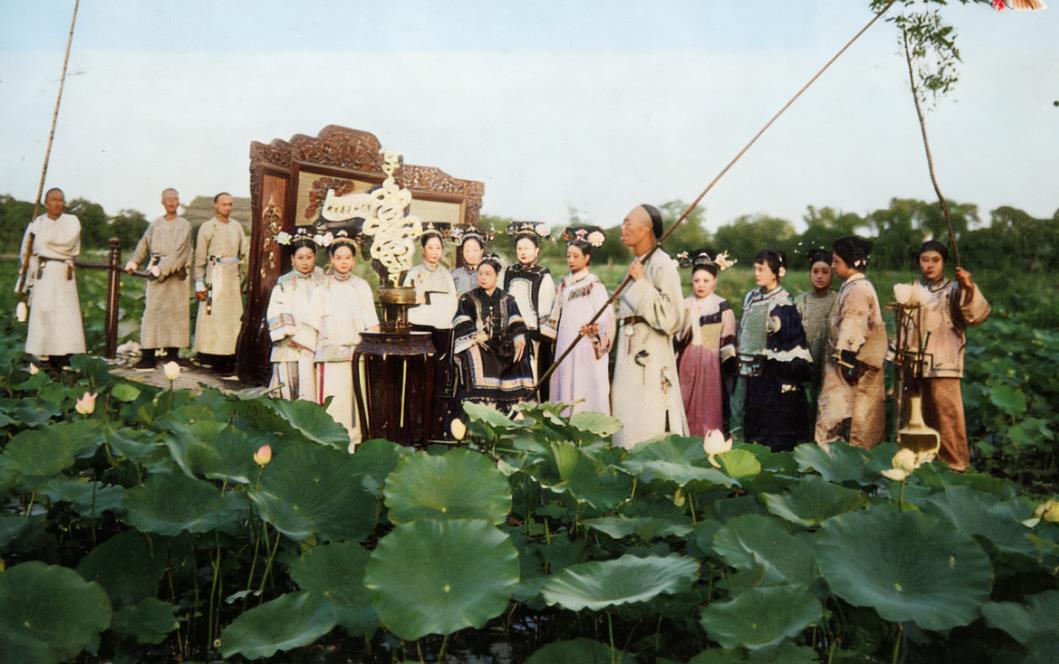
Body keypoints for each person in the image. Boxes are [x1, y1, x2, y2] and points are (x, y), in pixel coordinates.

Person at [898, 240, 990, 471]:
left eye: (935, 260)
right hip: (913, 363)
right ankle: (918, 469)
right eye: (924, 260)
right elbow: (902, 327)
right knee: (913, 418)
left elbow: (975, 316)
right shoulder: (910, 288)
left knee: (947, 420)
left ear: (944, 263)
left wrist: (968, 287)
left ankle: (956, 468)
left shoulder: (954, 290)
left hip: (943, 363)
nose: (929, 265)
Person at [611, 204, 688, 448]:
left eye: (627, 222)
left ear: (645, 230)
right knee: (627, 415)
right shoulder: (637, 264)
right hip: (628, 354)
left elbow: (673, 318)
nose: (623, 228)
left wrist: (642, 283)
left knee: (649, 415)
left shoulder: (662, 264)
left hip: (651, 357)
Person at [306, 229, 379, 450]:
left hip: (356, 355)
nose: (343, 262)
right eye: (339, 258)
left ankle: (353, 445)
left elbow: (371, 321)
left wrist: (372, 350)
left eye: (347, 257)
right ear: (331, 259)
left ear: (354, 259)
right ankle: (326, 446)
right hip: (329, 355)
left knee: (354, 403)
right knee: (332, 402)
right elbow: (312, 323)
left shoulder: (361, 286)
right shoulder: (322, 287)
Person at [814, 236, 887, 448]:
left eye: (836, 261)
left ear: (850, 262)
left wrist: (846, 361)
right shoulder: (854, 286)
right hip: (849, 365)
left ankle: (830, 467)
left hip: (850, 367)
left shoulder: (857, 290)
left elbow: (853, 328)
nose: (832, 266)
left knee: (839, 418)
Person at [737, 249, 813, 451]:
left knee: (774, 425)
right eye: (755, 268)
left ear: (776, 272)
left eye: (761, 269)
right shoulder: (751, 297)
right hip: (753, 371)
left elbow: (791, 344)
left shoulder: (784, 303)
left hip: (774, 373)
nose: (756, 273)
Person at [540, 226, 614, 416]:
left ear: (586, 258)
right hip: (565, 341)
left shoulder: (594, 285)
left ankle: (587, 422)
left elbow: (606, 318)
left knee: (584, 382)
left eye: (575, 256)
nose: (571, 260)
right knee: (565, 379)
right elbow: (556, 315)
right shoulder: (564, 284)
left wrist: (595, 330)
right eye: (568, 256)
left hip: (585, 344)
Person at [452, 253, 534, 413]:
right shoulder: (468, 298)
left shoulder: (507, 299)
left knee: (521, 348)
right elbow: (461, 320)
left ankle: (514, 409)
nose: (483, 277)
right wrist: (474, 335)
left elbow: (516, 320)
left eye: (488, 274)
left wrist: (518, 337)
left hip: (503, 342)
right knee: (472, 351)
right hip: (480, 342)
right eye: (480, 273)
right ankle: (477, 407)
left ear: (497, 276)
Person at [124, 187, 193, 370]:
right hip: (155, 270)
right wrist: (134, 261)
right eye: (168, 199)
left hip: (175, 274)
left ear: (179, 201)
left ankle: (172, 355)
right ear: (162, 202)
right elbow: (144, 243)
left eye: (175, 199)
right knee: (152, 312)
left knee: (175, 313)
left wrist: (161, 270)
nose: (172, 202)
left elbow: (179, 252)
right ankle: (148, 355)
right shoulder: (156, 224)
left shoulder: (184, 225)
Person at [18, 187, 86, 366]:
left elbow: (67, 244)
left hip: (64, 273)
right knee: (44, 313)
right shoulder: (36, 224)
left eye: (61, 200)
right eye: (54, 199)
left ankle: (64, 356)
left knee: (65, 315)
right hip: (44, 272)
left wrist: (45, 243)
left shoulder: (72, 222)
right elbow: (27, 252)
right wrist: (27, 277)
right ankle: (43, 355)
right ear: (46, 203)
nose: (58, 203)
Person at [403, 223, 460, 437]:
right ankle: (412, 427)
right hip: (419, 331)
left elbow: (452, 303)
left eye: (438, 248)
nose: (435, 252)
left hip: (440, 331)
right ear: (423, 249)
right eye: (431, 247)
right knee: (416, 381)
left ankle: (433, 428)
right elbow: (407, 301)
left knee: (437, 379)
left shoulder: (446, 275)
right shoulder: (414, 273)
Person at [676, 249, 737, 436]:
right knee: (683, 403)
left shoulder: (722, 307)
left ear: (714, 282)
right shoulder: (683, 304)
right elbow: (676, 338)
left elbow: (728, 341)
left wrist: (729, 368)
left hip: (711, 365)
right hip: (687, 363)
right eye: (696, 280)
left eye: (706, 281)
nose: (701, 285)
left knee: (709, 407)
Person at [193, 192, 248, 377]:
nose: (227, 208)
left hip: (231, 277)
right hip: (214, 274)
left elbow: (244, 252)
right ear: (215, 205)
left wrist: (243, 276)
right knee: (212, 316)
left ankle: (229, 358)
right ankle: (210, 357)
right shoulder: (208, 227)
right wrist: (199, 281)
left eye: (230, 204)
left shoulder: (237, 227)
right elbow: (200, 256)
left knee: (231, 318)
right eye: (224, 204)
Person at [266, 227, 323, 401]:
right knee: (288, 385)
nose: (305, 262)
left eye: (309, 257)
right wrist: (290, 335)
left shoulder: (323, 281)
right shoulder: (285, 283)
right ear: (292, 259)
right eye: (300, 258)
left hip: (316, 341)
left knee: (312, 385)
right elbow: (277, 310)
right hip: (290, 342)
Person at [500, 222, 557, 393]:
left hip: (534, 339)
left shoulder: (543, 277)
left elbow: (546, 313)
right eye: (519, 248)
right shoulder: (508, 273)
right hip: (510, 335)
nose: (523, 252)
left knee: (532, 379)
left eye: (527, 248)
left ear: (537, 250)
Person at [794, 249, 837, 429]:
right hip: (806, 361)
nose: (819, 276)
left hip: (830, 362)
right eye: (815, 271)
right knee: (806, 404)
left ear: (832, 273)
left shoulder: (839, 299)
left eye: (825, 272)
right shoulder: (800, 301)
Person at [450, 225, 489, 296]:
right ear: (462, 251)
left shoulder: (490, 274)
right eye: (467, 250)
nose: (471, 254)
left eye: (475, 250)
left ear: (481, 251)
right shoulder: (454, 274)